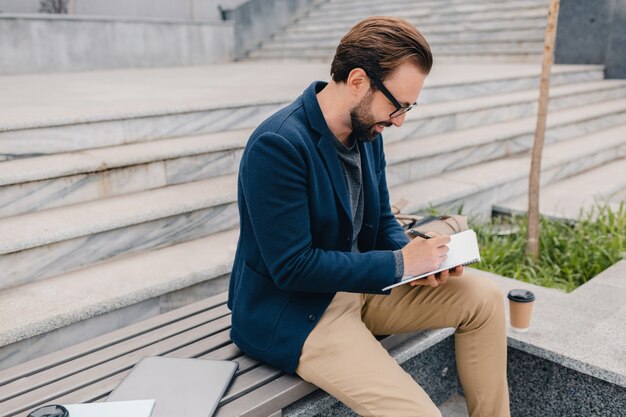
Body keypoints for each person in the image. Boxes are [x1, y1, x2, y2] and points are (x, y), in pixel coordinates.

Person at [227, 16, 510, 417]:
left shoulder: (366, 133)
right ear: (358, 80)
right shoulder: (277, 146)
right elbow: (292, 267)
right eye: (397, 105)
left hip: (361, 288)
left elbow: (380, 219)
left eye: (409, 107)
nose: (400, 120)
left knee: (485, 299)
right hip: (297, 312)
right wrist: (399, 263)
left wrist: (419, 259)